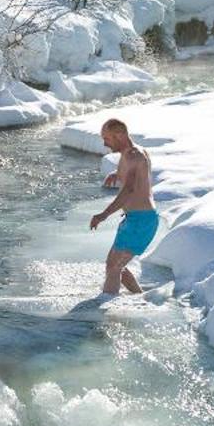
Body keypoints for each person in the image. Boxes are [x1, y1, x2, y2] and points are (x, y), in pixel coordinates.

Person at [89, 117, 159, 297]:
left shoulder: (135, 155)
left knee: (115, 266)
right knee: (114, 265)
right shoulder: (129, 154)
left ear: (119, 135)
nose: (105, 143)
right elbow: (134, 177)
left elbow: (129, 190)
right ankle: (139, 297)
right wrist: (117, 174)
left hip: (142, 220)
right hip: (134, 219)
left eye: (107, 138)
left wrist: (104, 214)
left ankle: (103, 308)